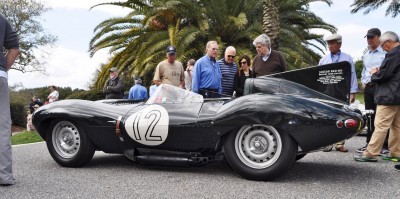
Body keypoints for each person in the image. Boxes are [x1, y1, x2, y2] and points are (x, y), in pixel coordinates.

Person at [353, 31, 400, 162]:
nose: (383, 48)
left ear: (389, 42)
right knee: (397, 126)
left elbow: (385, 75)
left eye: (384, 45)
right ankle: (396, 152)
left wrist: (375, 74)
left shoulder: (393, 54)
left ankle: (371, 153)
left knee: (380, 125)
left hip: (388, 95)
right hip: (398, 95)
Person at [318, 33, 359, 153]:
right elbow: (318, 77)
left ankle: (339, 143)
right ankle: (327, 143)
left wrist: (353, 92)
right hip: (327, 93)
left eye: (332, 43)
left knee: (342, 117)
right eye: (328, 43)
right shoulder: (324, 60)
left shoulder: (348, 58)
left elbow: (352, 75)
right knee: (327, 117)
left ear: (339, 44)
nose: (330, 46)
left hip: (342, 92)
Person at [357, 28, 389, 154]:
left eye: (371, 37)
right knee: (370, 115)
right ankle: (369, 143)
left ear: (378, 37)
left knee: (381, 117)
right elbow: (365, 70)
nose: (369, 40)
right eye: (367, 38)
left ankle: (384, 146)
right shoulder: (366, 54)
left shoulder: (385, 53)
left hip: (381, 87)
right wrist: (364, 81)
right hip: (368, 88)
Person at [0, 13, 20, 186]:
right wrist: (2, 69)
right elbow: (14, 49)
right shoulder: (2, 20)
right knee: (2, 127)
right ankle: (4, 176)